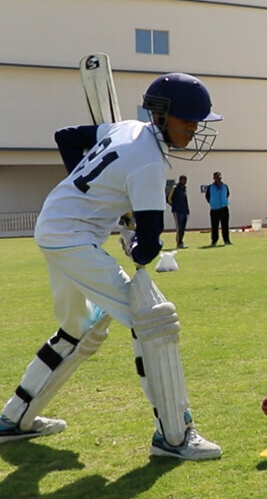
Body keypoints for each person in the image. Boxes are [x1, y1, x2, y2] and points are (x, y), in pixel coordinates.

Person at [0, 73, 223, 460]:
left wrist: (111, 204)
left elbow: (67, 136)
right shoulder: (150, 163)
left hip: (57, 223)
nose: (194, 128)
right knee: (152, 318)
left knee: (80, 328)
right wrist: (132, 234)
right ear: (162, 115)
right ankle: (174, 436)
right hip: (71, 235)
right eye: (188, 119)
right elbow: (147, 249)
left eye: (197, 121)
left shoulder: (127, 128)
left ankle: (15, 418)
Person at [205, 171, 231, 246]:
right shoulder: (210, 187)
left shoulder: (225, 186)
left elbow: (227, 194)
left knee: (225, 225)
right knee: (214, 226)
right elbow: (207, 197)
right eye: (216, 177)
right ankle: (214, 241)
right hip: (214, 210)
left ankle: (226, 240)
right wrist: (213, 203)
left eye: (219, 177)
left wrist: (224, 201)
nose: (218, 178)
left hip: (224, 208)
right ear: (214, 178)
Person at [167, 175, 190, 248]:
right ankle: (178, 242)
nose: (185, 181)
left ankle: (181, 242)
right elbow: (169, 198)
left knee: (183, 228)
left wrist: (187, 210)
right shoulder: (175, 188)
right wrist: (174, 206)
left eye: (185, 180)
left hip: (184, 210)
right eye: (183, 180)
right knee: (179, 227)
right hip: (177, 211)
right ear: (180, 180)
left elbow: (185, 200)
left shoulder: (184, 189)